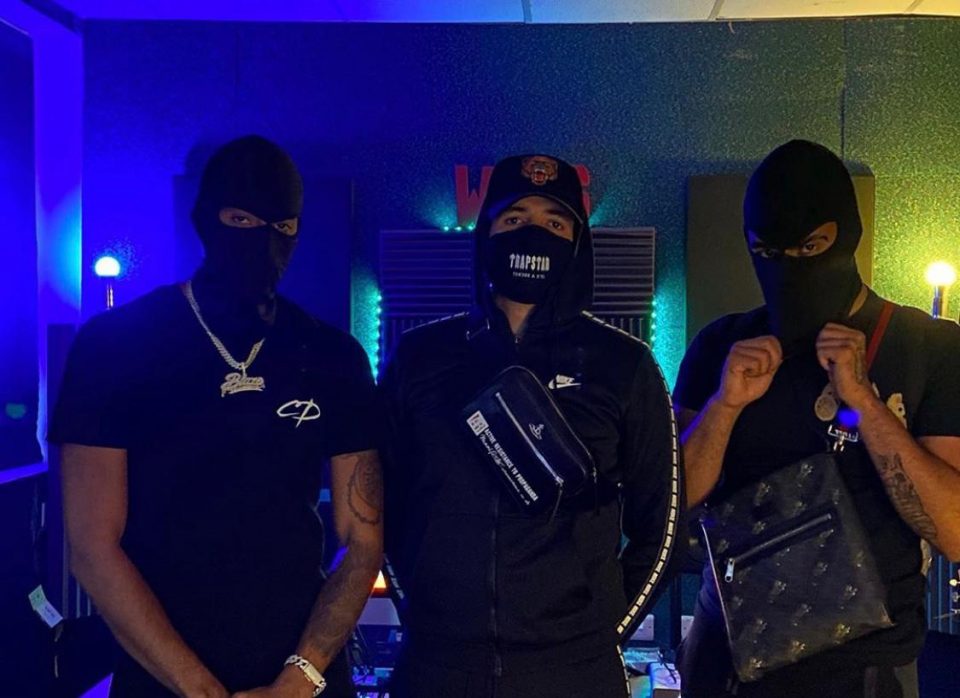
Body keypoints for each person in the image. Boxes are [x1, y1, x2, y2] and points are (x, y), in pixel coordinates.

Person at [49, 135, 384, 698]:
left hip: (304, 677)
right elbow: (91, 545)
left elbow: (363, 539)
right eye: (241, 219)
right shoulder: (114, 346)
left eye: (282, 226)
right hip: (160, 676)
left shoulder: (333, 356)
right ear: (207, 218)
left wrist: (300, 677)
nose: (262, 239)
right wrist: (197, 687)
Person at [381, 154, 682, 697]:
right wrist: (421, 618)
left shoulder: (624, 364)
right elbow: (382, 501)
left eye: (554, 222)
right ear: (487, 233)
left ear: (577, 241)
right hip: (436, 668)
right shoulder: (420, 356)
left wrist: (599, 634)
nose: (533, 233)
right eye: (515, 218)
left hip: (575, 673)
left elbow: (660, 521)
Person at [675, 139, 960, 698]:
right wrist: (723, 406)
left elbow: (954, 530)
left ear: (844, 234)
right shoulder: (720, 344)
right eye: (768, 251)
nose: (791, 268)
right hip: (728, 658)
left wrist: (865, 403)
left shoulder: (929, 346)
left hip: (862, 666)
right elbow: (671, 503)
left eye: (810, 246)